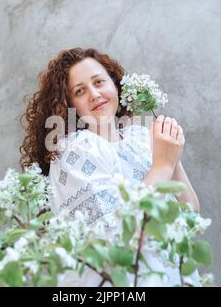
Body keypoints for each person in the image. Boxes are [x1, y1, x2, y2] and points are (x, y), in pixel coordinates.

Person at [19, 47, 200, 286]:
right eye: (80, 91)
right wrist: (163, 165)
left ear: (115, 86)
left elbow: (190, 216)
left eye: (99, 82)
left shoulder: (141, 139)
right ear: (68, 104)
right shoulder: (75, 152)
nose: (94, 94)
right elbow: (120, 241)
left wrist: (171, 154)